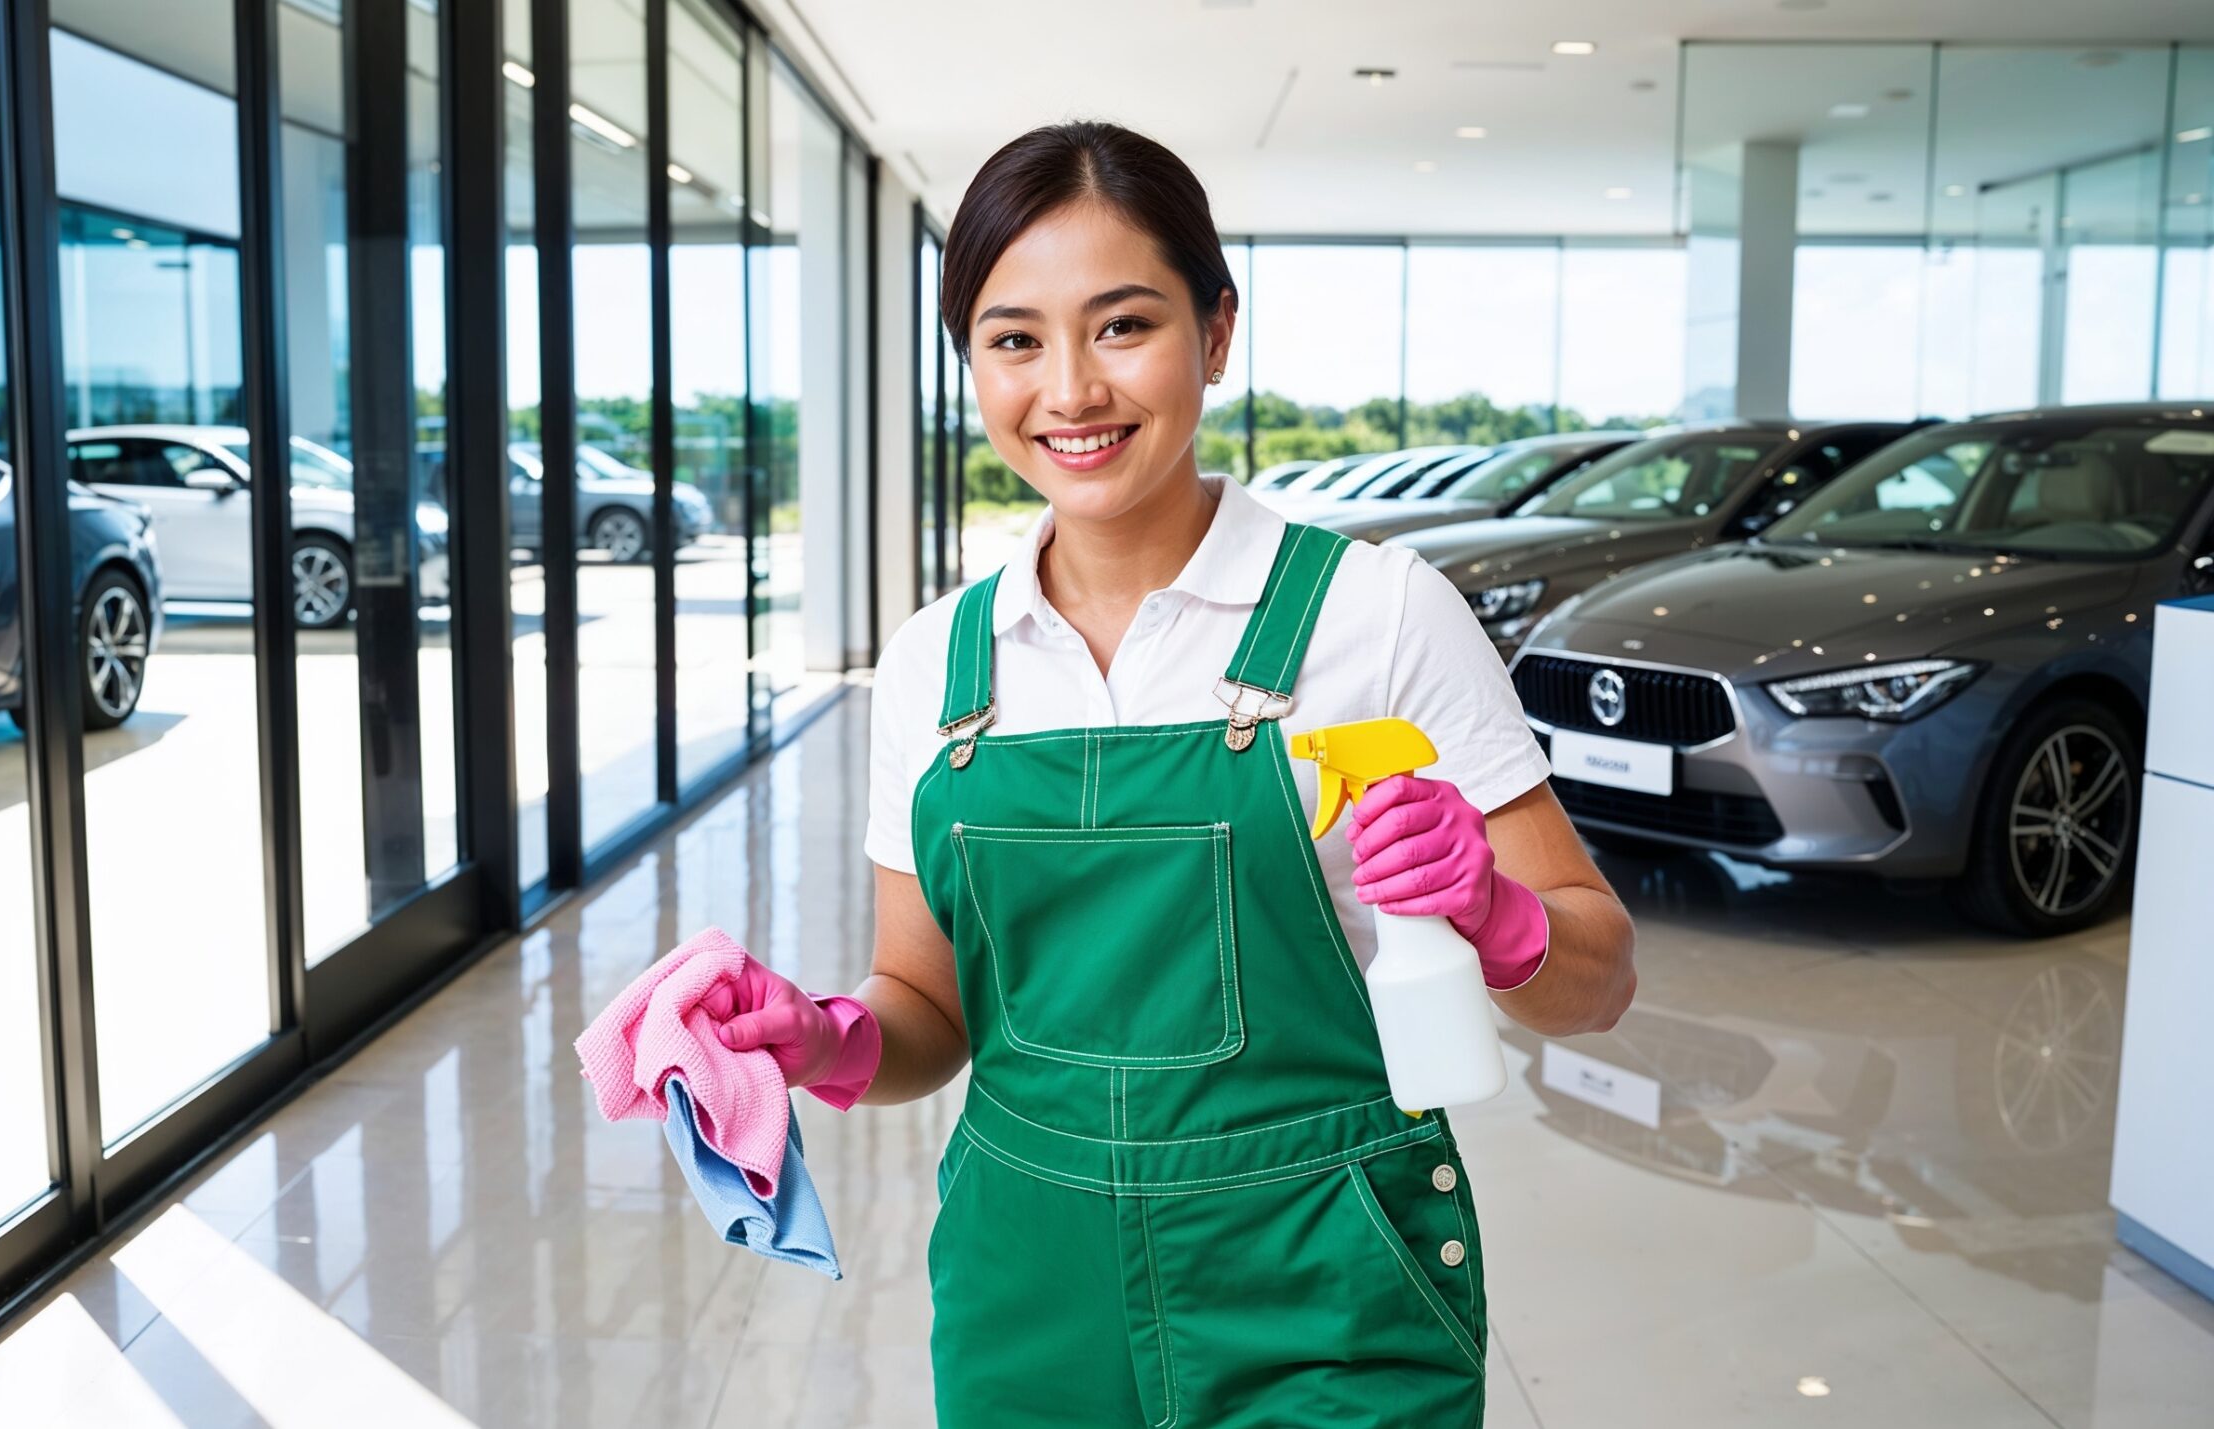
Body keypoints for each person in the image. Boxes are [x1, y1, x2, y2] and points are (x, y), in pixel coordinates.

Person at [696, 120, 1636, 1428]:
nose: (1070, 389)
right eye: (1014, 339)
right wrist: (822, 1036)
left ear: (1217, 331)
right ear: (971, 362)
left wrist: (1501, 915)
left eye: (1122, 325)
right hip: (1030, 1292)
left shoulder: (1381, 614)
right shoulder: (934, 668)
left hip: (1324, 1285)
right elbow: (927, 1004)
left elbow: (1601, 978)